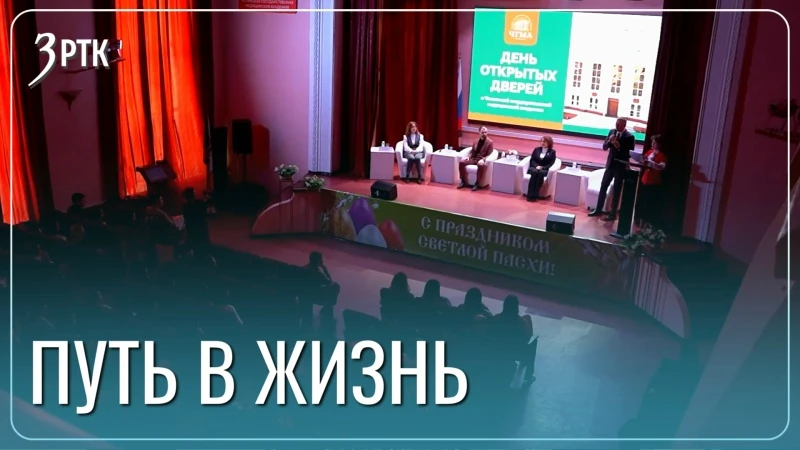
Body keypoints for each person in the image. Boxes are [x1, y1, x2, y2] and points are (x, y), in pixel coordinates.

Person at [589, 118, 636, 221]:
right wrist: (610, 141)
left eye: (619, 124)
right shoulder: (611, 132)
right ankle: (598, 209)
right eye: (616, 124)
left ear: (624, 125)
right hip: (610, 165)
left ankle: (613, 214)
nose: (617, 126)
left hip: (620, 167)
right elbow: (604, 147)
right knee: (603, 186)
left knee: (616, 190)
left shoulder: (629, 136)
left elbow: (629, 153)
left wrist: (617, 145)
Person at [636, 134, 667, 227]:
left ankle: (646, 226)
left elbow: (661, 167)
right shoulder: (649, 152)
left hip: (653, 183)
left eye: (654, 143)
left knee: (648, 204)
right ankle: (640, 224)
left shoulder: (662, 156)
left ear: (659, 144)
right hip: (644, 181)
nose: (652, 144)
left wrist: (651, 163)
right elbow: (643, 161)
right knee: (641, 203)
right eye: (652, 142)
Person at [458, 126, 494, 191]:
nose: (484, 134)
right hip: (473, 159)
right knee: (462, 162)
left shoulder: (490, 142)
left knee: (480, 165)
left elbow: (490, 154)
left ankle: (477, 183)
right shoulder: (475, 141)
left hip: (481, 160)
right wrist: (468, 157)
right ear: (479, 132)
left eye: (486, 132)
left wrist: (483, 159)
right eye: (482, 132)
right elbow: (472, 152)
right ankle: (463, 181)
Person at [524, 136, 557, 201]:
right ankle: (530, 195)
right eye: (541, 141)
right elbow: (532, 160)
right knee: (534, 172)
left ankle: (534, 195)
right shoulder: (537, 149)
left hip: (544, 169)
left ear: (549, 143)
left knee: (540, 174)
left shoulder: (552, 152)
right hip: (534, 168)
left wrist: (543, 167)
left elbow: (551, 163)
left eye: (544, 142)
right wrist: (536, 166)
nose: (542, 143)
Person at [181, 187, 210, 252]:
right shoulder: (198, 203)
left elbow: (186, 217)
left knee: (199, 244)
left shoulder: (187, 206)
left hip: (196, 228)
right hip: (198, 227)